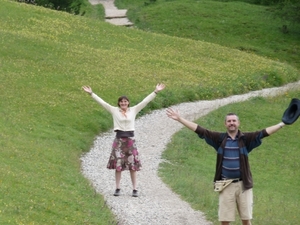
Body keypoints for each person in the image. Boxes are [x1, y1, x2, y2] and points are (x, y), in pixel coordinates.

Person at [166, 108, 286, 225]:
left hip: (244, 184)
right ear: (225, 124)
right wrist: (180, 119)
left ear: (238, 123)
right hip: (225, 184)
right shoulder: (219, 139)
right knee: (225, 220)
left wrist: (282, 123)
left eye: (234, 121)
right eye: (229, 121)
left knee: (246, 219)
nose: (231, 123)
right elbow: (200, 130)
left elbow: (264, 133)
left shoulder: (245, 139)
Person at [82, 84, 165, 197]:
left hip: (130, 140)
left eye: (125, 101)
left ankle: (135, 189)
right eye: (121, 102)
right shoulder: (114, 111)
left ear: (128, 103)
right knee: (118, 165)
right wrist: (91, 94)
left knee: (132, 166)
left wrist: (155, 91)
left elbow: (145, 102)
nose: (123, 103)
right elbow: (102, 103)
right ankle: (117, 188)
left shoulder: (133, 110)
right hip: (119, 140)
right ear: (119, 103)